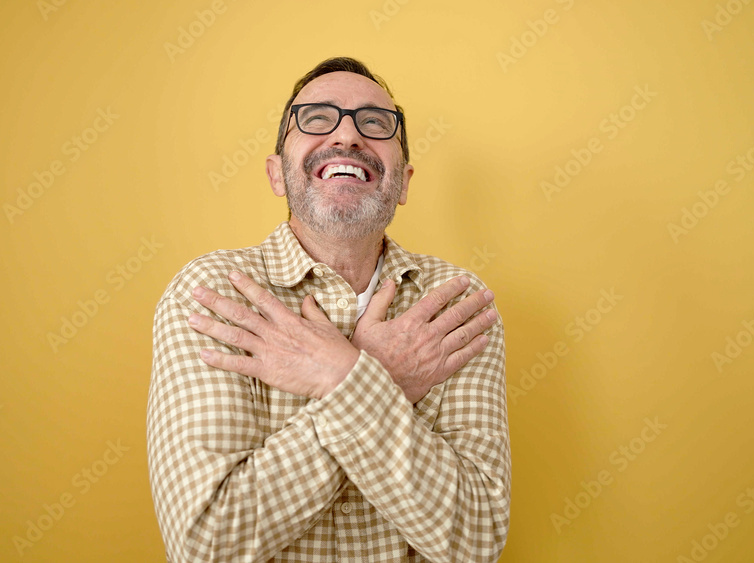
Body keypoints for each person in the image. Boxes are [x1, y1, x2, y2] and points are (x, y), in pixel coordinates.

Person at [147, 56, 510, 562]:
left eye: (375, 123)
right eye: (317, 118)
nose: (347, 135)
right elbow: (208, 545)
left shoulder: (456, 304)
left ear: (404, 182)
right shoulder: (214, 292)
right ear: (277, 174)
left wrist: (342, 376)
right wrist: (378, 374)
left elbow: (475, 540)